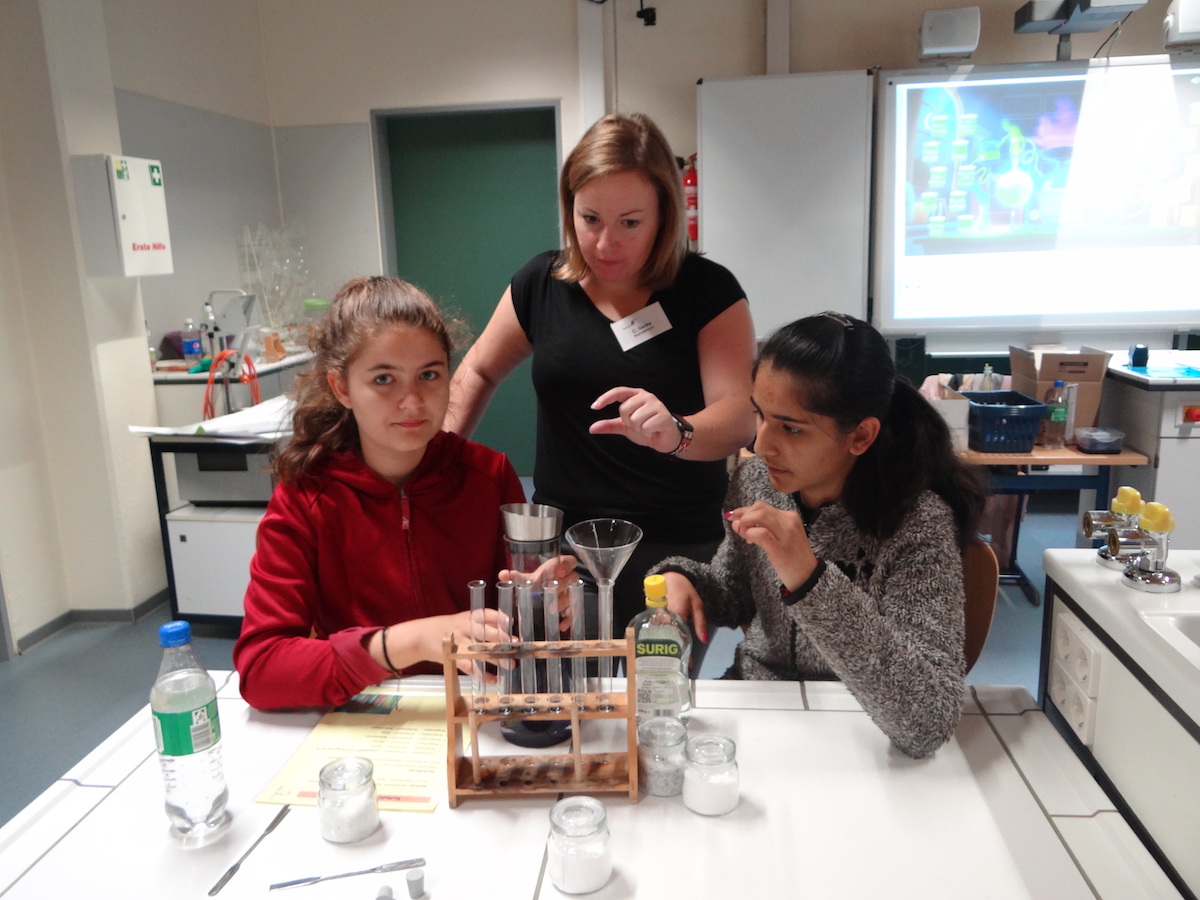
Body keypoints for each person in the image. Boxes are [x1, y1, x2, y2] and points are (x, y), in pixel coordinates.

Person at [446, 113, 757, 638]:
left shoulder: (707, 290)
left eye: (630, 223)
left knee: (654, 685)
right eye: (590, 219)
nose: (606, 243)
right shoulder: (541, 283)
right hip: (564, 552)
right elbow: (477, 369)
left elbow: (739, 415)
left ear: (664, 213)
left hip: (673, 549)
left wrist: (677, 432)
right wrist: (436, 457)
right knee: (561, 685)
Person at [651, 312, 989, 758]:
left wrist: (809, 579)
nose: (760, 445)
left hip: (858, 727)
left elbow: (926, 723)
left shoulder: (917, 523)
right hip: (760, 705)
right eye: (759, 415)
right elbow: (733, 591)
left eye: (791, 428)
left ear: (861, 436)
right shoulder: (756, 481)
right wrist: (685, 579)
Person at [233, 276, 575, 710]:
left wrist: (548, 606)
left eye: (429, 375)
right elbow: (262, 669)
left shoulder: (489, 477)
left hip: (477, 711)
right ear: (342, 388)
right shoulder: (305, 496)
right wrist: (409, 642)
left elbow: (526, 639)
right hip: (365, 715)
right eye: (384, 379)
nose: (412, 401)